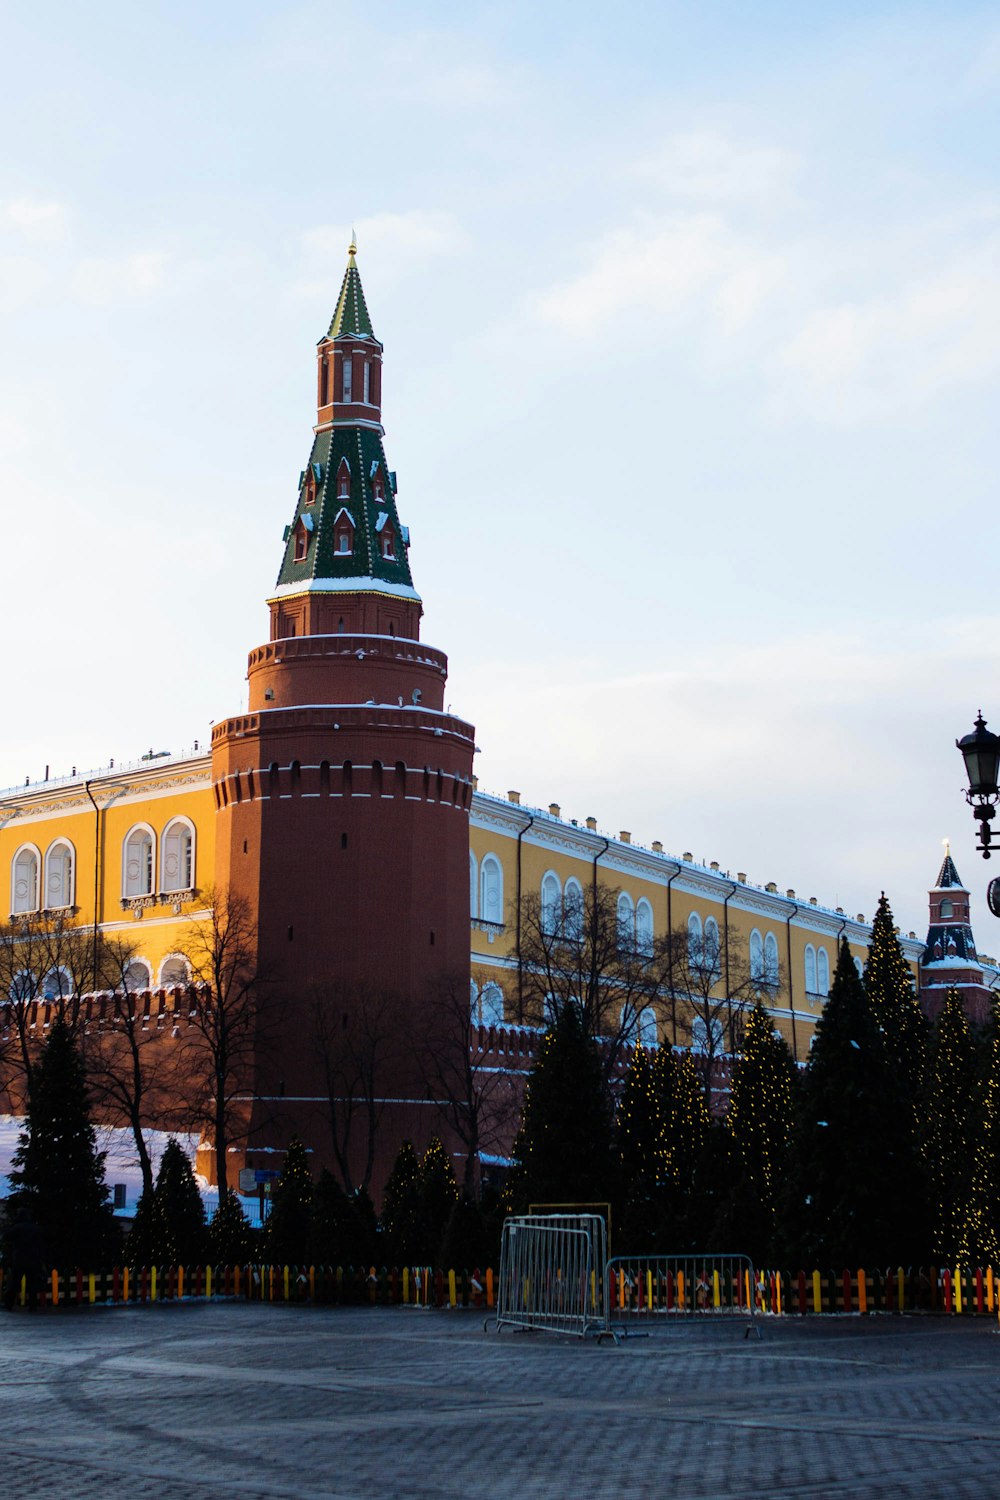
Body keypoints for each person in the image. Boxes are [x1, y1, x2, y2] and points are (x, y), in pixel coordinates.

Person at [2, 1203, 46, 1311]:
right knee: (32, 1284)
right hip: (33, 1259)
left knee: (15, 1283)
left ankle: (9, 1304)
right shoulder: (35, 1228)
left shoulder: (17, 1228)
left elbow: (6, 1237)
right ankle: (33, 1305)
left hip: (20, 1259)